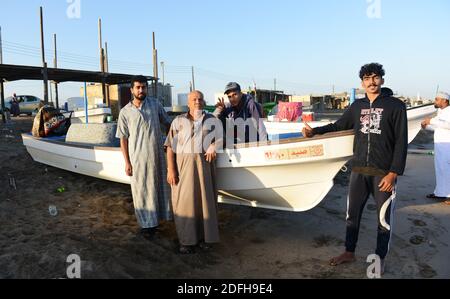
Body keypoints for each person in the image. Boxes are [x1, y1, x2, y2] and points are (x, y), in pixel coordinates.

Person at [303, 63, 408, 274]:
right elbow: (339, 125)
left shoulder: (395, 106)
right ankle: (349, 252)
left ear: (382, 80)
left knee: (383, 219)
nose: (372, 82)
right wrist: (315, 132)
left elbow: (401, 141)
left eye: (376, 77)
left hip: (383, 174)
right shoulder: (357, 106)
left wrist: (393, 173)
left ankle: (380, 258)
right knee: (352, 216)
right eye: (367, 78)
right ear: (361, 83)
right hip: (359, 171)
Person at [116, 75, 173, 239]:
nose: (141, 90)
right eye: (138, 87)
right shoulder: (125, 112)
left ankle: (158, 221)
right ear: (132, 90)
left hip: (158, 157)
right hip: (138, 159)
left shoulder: (155, 105)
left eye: (144, 87)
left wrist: (168, 141)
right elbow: (123, 139)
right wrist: (127, 162)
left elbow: (168, 123)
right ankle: (147, 226)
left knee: (159, 189)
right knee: (142, 191)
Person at [165, 91, 221, 254]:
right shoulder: (178, 121)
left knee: (205, 204)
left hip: (204, 171)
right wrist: (171, 169)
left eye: (200, 99)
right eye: (194, 99)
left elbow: (221, 138)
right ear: (188, 103)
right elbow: (169, 147)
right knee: (185, 205)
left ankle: (205, 239)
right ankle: (186, 242)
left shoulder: (211, 120)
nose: (197, 101)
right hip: (183, 171)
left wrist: (213, 146)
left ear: (204, 102)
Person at [421, 92, 450, 204]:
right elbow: (439, 128)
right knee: (440, 170)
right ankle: (440, 192)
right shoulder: (441, 112)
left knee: (446, 169)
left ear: (445, 100)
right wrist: (426, 126)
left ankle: (448, 195)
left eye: (437, 99)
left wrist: (431, 121)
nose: (435, 101)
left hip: (447, 146)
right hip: (440, 145)